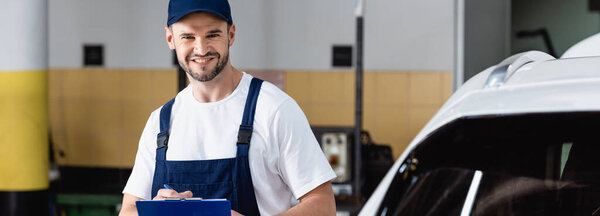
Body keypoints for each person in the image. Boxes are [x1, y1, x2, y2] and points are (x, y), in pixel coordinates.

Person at [118, 0, 337, 215]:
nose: (201, 48)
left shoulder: (274, 109)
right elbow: (128, 210)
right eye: (188, 37)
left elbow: (323, 206)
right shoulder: (160, 122)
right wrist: (157, 211)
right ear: (170, 38)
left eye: (212, 35)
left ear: (231, 34)